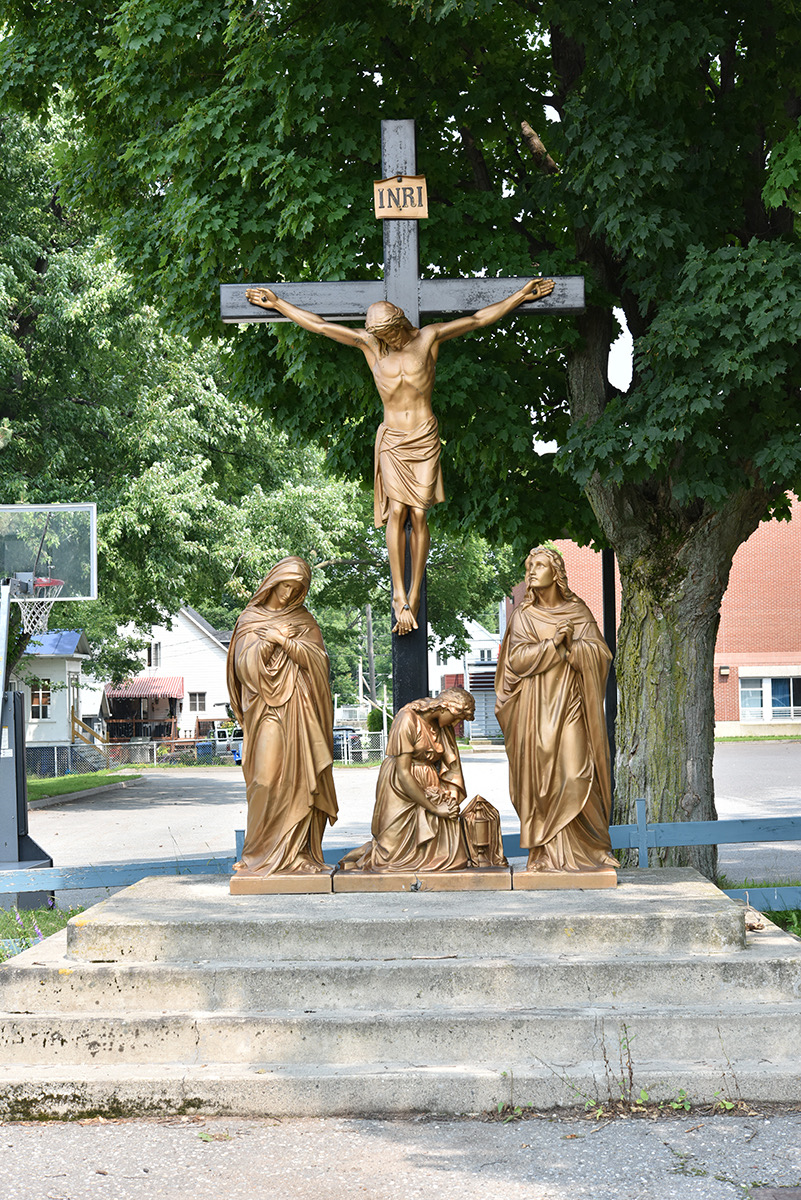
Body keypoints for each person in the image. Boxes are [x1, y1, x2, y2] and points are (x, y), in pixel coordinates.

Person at [245, 279, 555, 635]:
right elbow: (320, 325)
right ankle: (398, 595)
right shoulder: (372, 348)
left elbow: (478, 320)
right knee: (397, 511)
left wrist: (520, 295)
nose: (388, 340)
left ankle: (415, 593)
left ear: (401, 322)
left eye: (391, 332)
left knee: (420, 514)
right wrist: (279, 304)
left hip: (423, 437)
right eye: (382, 334)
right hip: (393, 439)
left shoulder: (428, 338)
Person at [494, 546, 618, 872]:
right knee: (540, 785)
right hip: (534, 711)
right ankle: (543, 854)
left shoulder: (576, 610)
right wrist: (552, 645)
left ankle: (593, 849)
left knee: (577, 773)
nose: (532, 570)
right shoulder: (523, 615)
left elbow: (601, 654)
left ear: (556, 572)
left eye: (539, 565)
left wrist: (573, 648)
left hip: (572, 705)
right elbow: (515, 661)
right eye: (529, 565)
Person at [227, 556, 338, 875]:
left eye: (297, 588)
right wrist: (266, 645)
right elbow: (242, 667)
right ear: (274, 582)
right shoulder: (250, 618)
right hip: (266, 712)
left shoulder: (303, 619)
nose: (289, 594)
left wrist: (285, 642)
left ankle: (298, 854)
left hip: (301, 712)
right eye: (286, 585)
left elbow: (319, 663)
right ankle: (257, 854)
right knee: (264, 779)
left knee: (300, 780)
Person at [339, 687, 475, 873]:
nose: (457, 723)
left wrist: (448, 798)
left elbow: (452, 767)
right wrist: (434, 807)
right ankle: (363, 854)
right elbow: (403, 772)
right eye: (457, 717)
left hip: (429, 783)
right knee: (390, 851)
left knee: (443, 849)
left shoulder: (442, 726)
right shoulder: (407, 718)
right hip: (400, 784)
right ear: (444, 707)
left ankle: (426, 861)